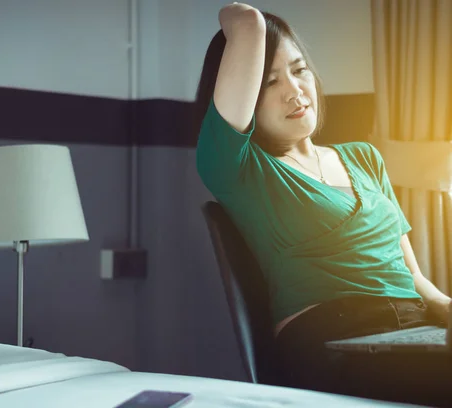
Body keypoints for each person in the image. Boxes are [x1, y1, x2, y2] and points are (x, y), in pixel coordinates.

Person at [194, 2, 452, 406]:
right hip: (331, 341)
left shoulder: (364, 157)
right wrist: (257, 24)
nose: (295, 91)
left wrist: (444, 307)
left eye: (299, 71)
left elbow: (411, 274)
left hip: (413, 329)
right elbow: (245, 22)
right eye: (270, 82)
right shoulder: (240, 171)